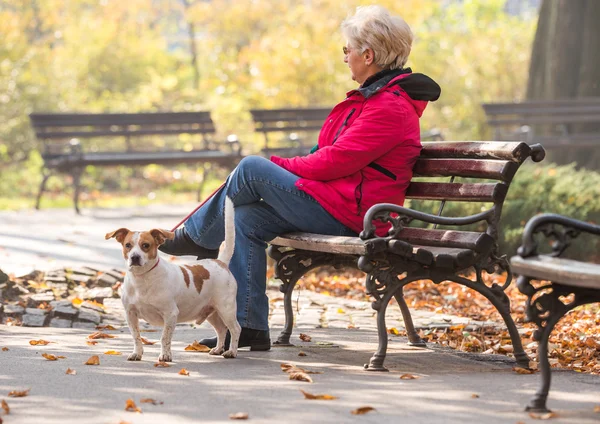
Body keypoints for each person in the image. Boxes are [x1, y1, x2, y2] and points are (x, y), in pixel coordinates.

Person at [159, 5, 441, 350]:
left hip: (356, 216)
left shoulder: (389, 107)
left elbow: (334, 161)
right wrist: (295, 164)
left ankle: (197, 236)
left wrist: (279, 164)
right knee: (246, 218)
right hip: (336, 203)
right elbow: (326, 152)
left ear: (368, 55)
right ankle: (248, 326)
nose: (345, 57)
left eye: (347, 50)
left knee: (251, 168)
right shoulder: (371, 101)